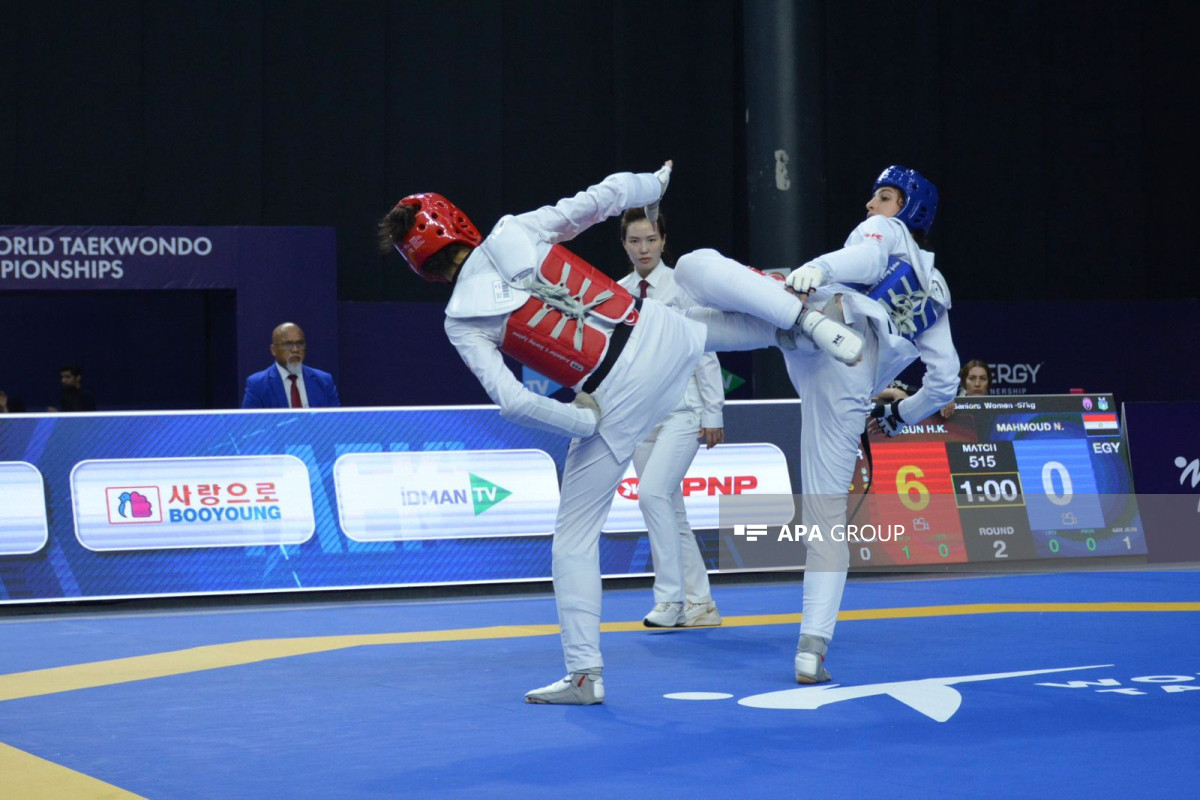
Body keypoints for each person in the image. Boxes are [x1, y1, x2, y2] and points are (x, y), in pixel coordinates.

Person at [674, 165, 960, 684]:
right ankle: (811, 651)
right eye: (873, 196)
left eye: (886, 197)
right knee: (827, 522)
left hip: (819, 317)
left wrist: (819, 267)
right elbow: (945, 382)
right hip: (846, 378)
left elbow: (869, 255)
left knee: (692, 266)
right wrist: (898, 414)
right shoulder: (935, 288)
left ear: (909, 210)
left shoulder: (887, 234)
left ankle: (778, 322)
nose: (872, 205)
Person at [615, 207, 724, 629]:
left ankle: (669, 601)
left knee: (652, 495)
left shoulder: (682, 285)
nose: (643, 248)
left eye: (651, 240)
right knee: (670, 510)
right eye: (635, 241)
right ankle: (701, 605)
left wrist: (713, 410)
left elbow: (705, 348)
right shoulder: (618, 292)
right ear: (624, 245)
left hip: (683, 410)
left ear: (663, 241)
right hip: (640, 416)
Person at [241, 322, 341, 409]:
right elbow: (250, 426)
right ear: (273, 350)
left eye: (300, 343)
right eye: (288, 344)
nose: (295, 350)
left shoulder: (324, 381)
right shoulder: (258, 385)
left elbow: (336, 422)